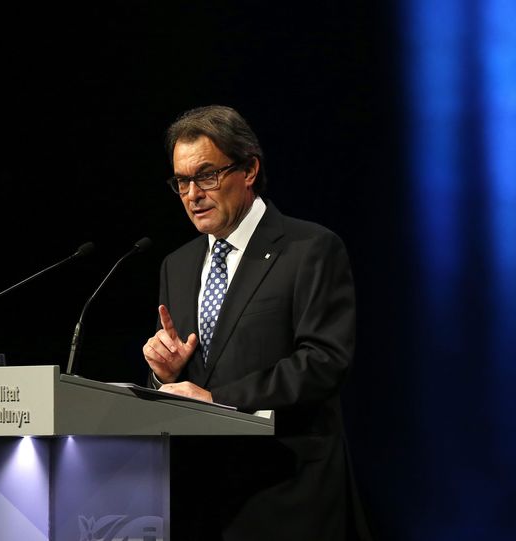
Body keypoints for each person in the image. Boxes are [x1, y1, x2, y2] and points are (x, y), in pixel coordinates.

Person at [142, 105, 370, 540]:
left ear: (248, 170)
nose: (192, 194)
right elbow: (190, 383)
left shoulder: (310, 249)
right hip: (204, 500)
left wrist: (218, 399)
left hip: (288, 493)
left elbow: (324, 361)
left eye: (206, 175)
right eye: (182, 182)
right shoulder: (178, 264)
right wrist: (163, 374)